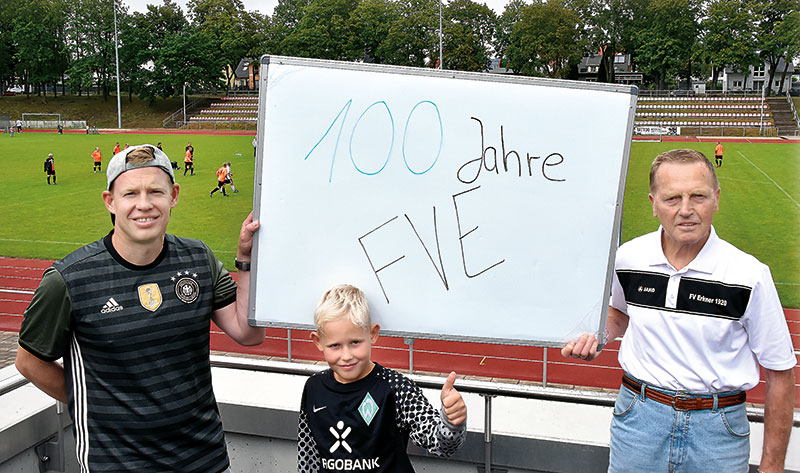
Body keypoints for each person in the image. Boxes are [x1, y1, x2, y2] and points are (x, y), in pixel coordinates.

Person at [15, 144, 265, 472]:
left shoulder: (199, 259)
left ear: (173, 195)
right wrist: (95, 405)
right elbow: (29, 361)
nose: (144, 204)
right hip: (116, 464)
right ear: (110, 201)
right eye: (131, 193)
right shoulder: (68, 279)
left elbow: (248, 334)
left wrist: (245, 260)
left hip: (205, 459)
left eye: (155, 192)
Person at [561, 149, 795, 473]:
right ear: (654, 204)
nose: (686, 210)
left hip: (718, 432)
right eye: (672, 199)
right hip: (639, 422)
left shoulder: (750, 275)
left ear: (716, 199)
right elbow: (622, 313)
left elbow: (780, 373)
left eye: (698, 196)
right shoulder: (628, 259)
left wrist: (772, 466)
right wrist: (599, 336)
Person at [298, 284, 467, 472]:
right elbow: (308, 455)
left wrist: (451, 422)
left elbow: (440, 444)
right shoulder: (313, 388)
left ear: (372, 334)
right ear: (318, 342)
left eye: (355, 343)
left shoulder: (397, 388)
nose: (346, 355)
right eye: (335, 345)